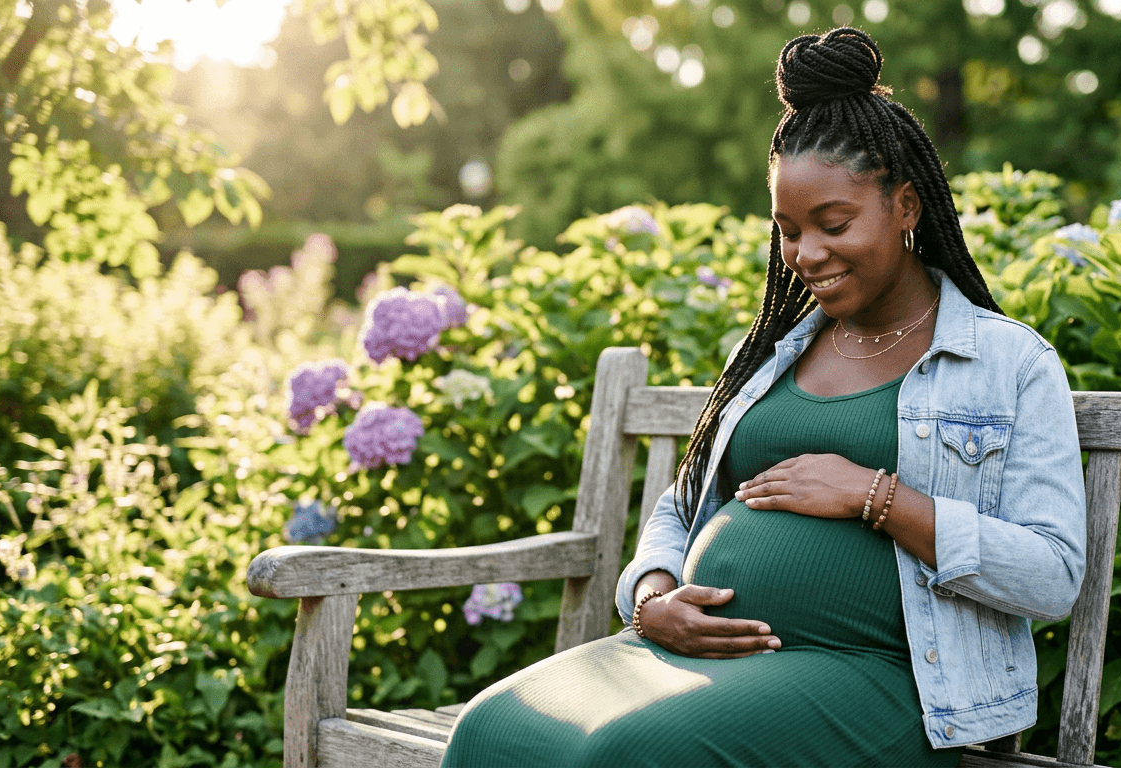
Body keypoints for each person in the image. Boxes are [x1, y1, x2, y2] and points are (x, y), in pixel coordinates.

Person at [441, 27, 1086, 767]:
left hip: (878, 679)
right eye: (789, 231)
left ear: (906, 206)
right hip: (692, 657)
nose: (807, 255)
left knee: (624, 756)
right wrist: (652, 599)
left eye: (834, 224)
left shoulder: (1006, 362)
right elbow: (683, 502)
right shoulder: (775, 353)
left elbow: (1052, 573)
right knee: (491, 732)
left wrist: (873, 495)